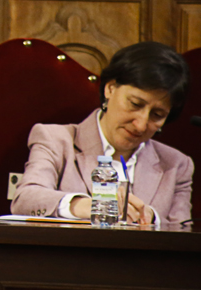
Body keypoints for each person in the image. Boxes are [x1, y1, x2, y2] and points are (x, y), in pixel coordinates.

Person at [12, 41, 193, 225]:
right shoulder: (56, 140)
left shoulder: (177, 165)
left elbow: (184, 231)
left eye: (157, 115)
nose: (140, 125)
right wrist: (88, 206)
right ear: (110, 88)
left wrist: (151, 217)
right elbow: (25, 199)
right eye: (135, 104)